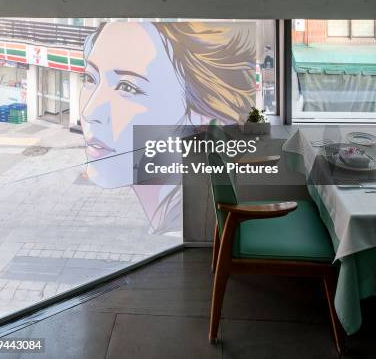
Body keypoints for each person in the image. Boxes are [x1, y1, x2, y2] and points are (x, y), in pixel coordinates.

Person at [80, 20, 256, 233]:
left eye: (127, 87)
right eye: (89, 78)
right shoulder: (189, 215)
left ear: (199, 116)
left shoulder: (187, 225)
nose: (90, 112)